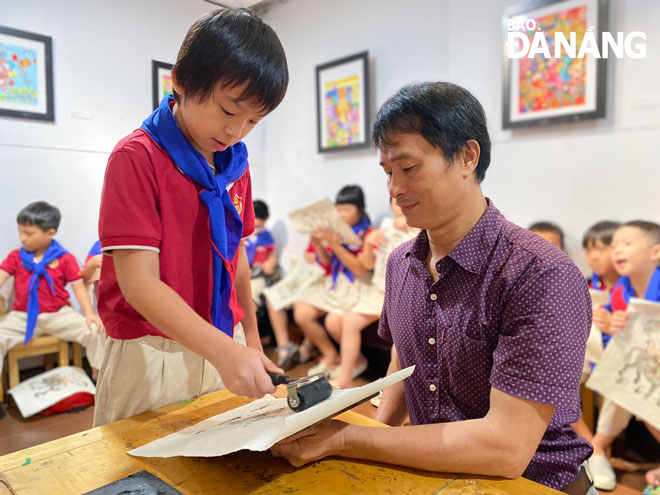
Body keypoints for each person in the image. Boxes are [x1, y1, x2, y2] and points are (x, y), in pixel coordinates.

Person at [273, 82, 595, 494]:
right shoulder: (401, 263)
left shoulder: (539, 274)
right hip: (438, 478)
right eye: (388, 173)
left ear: (467, 156)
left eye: (408, 169)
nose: (394, 189)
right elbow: (402, 363)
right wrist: (371, 433)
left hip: (536, 484)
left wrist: (347, 438)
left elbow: (507, 449)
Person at [93, 8, 288, 426]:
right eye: (228, 110)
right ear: (180, 79)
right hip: (151, 352)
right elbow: (139, 283)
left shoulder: (235, 163)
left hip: (224, 342)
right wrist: (225, 350)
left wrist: (250, 339)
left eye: (254, 120)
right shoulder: (138, 158)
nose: (237, 131)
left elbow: (236, 258)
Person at [587, 221, 660, 491]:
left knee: (627, 376)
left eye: (627, 243)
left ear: (655, 252)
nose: (617, 250)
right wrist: (611, 326)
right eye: (615, 244)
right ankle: (597, 448)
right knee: (624, 374)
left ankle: (597, 448)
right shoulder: (621, 290)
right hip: (644, 366)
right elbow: (618, 340)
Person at [0, 202, 105, 379]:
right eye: (20, 232)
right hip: (22, 316)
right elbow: (1, 276)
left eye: (29, 233)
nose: (23, 238)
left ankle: (98, 375)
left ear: (50, 233)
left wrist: (89, 313)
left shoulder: (64, 258)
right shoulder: (16, 257)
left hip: (58, 314)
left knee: (95, 330)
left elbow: (78, 286)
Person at [330, 197, 417, 389]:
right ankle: (345, 378)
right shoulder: (384, 228)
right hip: (379, 292)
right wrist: (369, 245)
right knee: (349, 320)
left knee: (400, 337)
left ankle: (394, 389)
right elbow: (368, 265)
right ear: (389, 206)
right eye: (396, 202)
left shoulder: (421, 228)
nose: (401, 206)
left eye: (405, 201)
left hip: (406, 295)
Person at [293, 185, 372, 378]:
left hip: (357, 284)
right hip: (335, 282)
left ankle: (356, 360)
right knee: (301, 312)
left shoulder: (367, 234)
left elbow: (360, 269)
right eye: (338, 209)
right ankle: (330, 355)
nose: (342, 214)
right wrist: (319, 244)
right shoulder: (334, 231)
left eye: (347, 209)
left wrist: (335, 245)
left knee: (333, 321)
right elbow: (327, 264)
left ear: (360, 209)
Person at [571, 220, 621, 443]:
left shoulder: (630, 285)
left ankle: (598, 447)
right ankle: (586, 441)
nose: (594, 256)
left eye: (601, 248)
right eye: (589, 249)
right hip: (588, 351)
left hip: (616, 352)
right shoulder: (587, 283)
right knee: (558, 376)